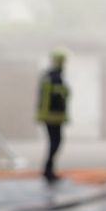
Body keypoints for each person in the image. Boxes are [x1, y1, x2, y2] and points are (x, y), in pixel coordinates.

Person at [35, 47, 70, 183]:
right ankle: (48, 171)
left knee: (55, 142)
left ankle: (49, 170)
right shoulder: (53, 77)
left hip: (52, 116)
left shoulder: (52, 75)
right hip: (52, 116)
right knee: (55, 142)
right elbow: (53, 98)